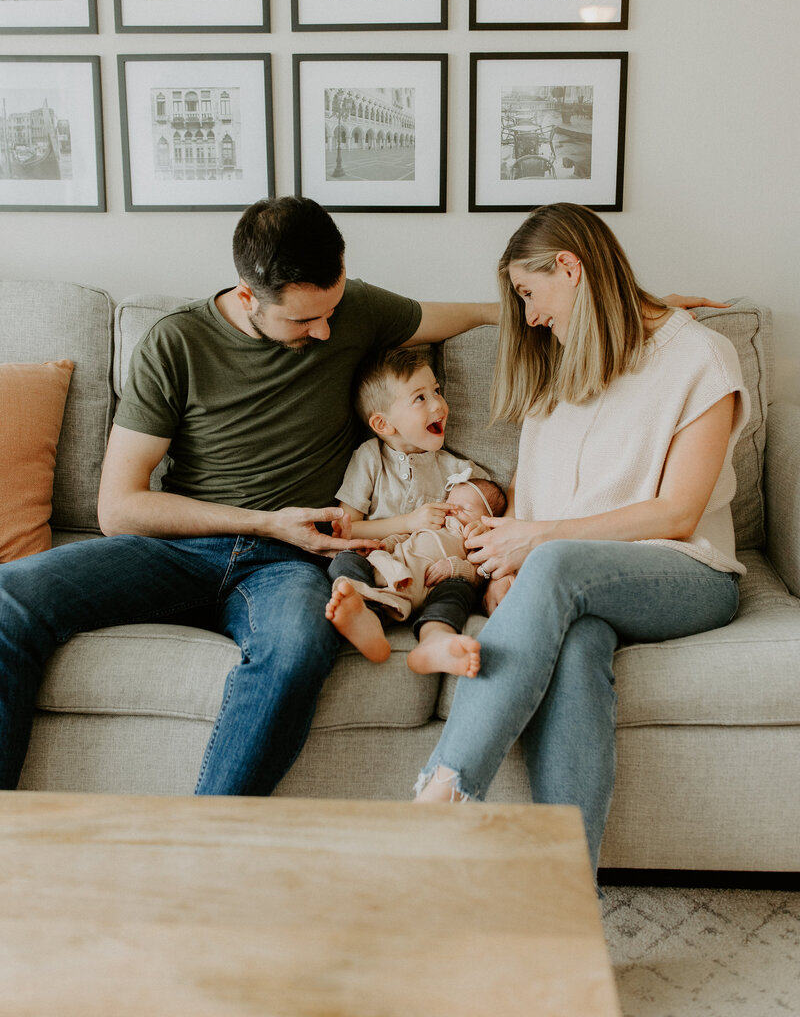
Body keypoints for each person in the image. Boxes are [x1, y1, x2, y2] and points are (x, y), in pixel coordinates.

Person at [0, 196, 498, 796]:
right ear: (247, 296)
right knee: (10, 600)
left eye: (332, 310)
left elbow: (459, 314)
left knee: (294, 654)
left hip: (290, 564)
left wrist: (526, 308)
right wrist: (266, 521)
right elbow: (119, 508)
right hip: (182, 549)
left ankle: (212, 845)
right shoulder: (175, 343)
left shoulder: (350, 309)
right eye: (302, 321)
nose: (326, 331)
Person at [413, 202, 749, 882]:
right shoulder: (561, 373)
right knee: (579, 642)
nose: (530, 316)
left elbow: (679, 511)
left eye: (530, 294)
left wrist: (538, 546)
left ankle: (442, 792)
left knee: (561, 565)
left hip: (689, 574)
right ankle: (568, 895)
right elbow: (535, 524)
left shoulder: (702, 359)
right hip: (577, 586)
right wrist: (512, 576)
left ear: (569, 266)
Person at [324, 346, 507, 675]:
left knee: (460, 589)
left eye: (436, 391)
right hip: (380, 566)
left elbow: (489, 519)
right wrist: (409, 522)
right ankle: (368, 619)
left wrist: (477, 535)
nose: (438, 404)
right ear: (383, 423)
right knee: (345, 561)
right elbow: (345, 528)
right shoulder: (369, 458)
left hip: (434, 576)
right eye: (420, 398)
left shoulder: (458, 472)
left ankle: (435, 639)